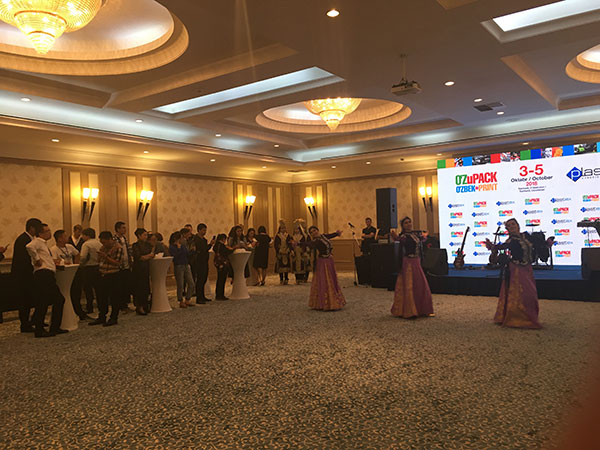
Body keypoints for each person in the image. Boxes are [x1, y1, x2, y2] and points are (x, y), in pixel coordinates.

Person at [485, 218, 542, 329]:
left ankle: (529, 317)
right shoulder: (510, 241)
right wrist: (492, 247)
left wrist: (546, 244)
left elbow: (537, 244)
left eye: (513, 224)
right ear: (507, 229)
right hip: (516, 269)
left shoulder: (526, 236)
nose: (512, 227)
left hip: (528, 269)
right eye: (509, 226)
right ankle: (517, 318)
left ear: (518, 225)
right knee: (521, 294)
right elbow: (501, 247)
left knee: (531, 293)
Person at [26, 223, 67, 338]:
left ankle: (50, 328)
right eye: (47, 231)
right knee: (50, 301)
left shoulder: (43, 244)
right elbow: (29, 247)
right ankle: (43, 329)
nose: (50, 233)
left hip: (46, 274)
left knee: (50, 301)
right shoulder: (38, 241)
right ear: (40, 233)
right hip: (44, 275)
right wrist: (37, 259)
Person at [390, 217, 434, 319]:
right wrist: (395, 237)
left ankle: (422, 309)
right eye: (406, 223)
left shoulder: (415, 235)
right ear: (403, 225)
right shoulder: (403, 236)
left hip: (417, 262)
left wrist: (425, 236)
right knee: (409, 286)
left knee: (420, 284)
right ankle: (410, 311)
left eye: (409, 222)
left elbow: (422, 240)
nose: (408, 224)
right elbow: (401, 241)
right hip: (408, 263)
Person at [301, 226, 345, 311]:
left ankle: (333, 300)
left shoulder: (324, 236)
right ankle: (325, 303)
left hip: (329, 260)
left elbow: (331, 235)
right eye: (311, 232)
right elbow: (308, 244)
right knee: (325, 281)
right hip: (322, 262)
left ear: (318, 230)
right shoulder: (316, 241)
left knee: (331, 279)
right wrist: (298, 243)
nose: (314, 232)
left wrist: (337, 233)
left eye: (314, 230)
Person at [10, 217, 42, 332]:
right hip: (23, 276)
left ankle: (31, 321)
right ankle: (25, 324)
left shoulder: (28, 239)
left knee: (29, 300)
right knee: (24, 301)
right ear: (32, 228)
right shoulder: (23, 240)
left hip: (26, 275)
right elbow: (23, 260)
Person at [50, 229, 89, 321]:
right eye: (64, 236)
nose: (67, 237)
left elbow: (77, 254)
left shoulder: (70, 246)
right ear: (59, 239)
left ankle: (79, 312)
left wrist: (76, 263)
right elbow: (54, 261)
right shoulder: (53, 249)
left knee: (76, 293)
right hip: (62, 275)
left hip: (72, 272)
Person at [89, 231, 123, 327]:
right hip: (102, 274)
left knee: (114, 297)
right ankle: (102, 316)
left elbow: (118, 263)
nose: (103, 244)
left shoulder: (118, 248)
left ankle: (113, 318)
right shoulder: (102, 248)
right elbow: (99, 260)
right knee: (101, 297)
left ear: (110, 239)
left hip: (113, 275)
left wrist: (106, 257)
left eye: (104, 242)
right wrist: (100, 257)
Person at [169, 231, 195, 308]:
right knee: (180, 285)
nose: (182, 239)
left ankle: (187, 299)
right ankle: (180, 301)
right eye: (181, 238)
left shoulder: (183, 246)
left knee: (191, 283)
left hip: (186, 265)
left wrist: (192, 251)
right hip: (178, 266)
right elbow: (175, 257)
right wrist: (178, 248)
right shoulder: (172, 247)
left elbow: (187, 254)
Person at [131, 228, 154, 315]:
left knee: (146, 288)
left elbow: (152, 254)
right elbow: (139, 257)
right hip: (138, 269)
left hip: (146, 269)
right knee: (139, 288)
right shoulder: (135, 245)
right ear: (139, 236)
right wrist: (148, 256)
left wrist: (147, 256)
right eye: (144, 235)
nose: (146, 236)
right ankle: (139, 307)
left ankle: (145, 305)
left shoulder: (148, 244)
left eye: (146, 235)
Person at [80, 228, 102, 314]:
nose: (82, 237)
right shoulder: (99, 243)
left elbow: (83, 257)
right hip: (98, 267)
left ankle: (89, 307)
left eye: (83, 235)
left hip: (88, 268)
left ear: (87, 235)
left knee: (88, 289)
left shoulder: (86, 244)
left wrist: (81, 264)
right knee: (98, 289)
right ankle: (100, 306)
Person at [114, 221, 133, 312]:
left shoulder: (124, 239)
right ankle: (120, 305)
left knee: (126, 286)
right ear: (118, 229)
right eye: (123, 228)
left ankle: (125, 304)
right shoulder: (114, 239)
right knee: (120, 287)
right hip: (119, 266)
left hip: (127, 265)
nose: (125, 229)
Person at [193, 223, 215, 303]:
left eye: (205, 230)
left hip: (205, 261)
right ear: (199, 230)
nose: (205, 232)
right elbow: (202, 249)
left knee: (204, 279)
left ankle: (202, 296)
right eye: (203, 230)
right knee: (200, 280)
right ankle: (199, 298)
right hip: (199, 262)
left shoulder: (204, 240)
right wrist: (210, 244)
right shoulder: (196, 239)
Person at [213, 233, 233, 300]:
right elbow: (227, 252)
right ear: (223, 239)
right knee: (222, 279)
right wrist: (233, 248)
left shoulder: (216, 245)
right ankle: (220, 295)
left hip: (218, 263)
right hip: (222, 263)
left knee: (219, 279)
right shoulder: (221, 246)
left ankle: (218, 294)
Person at [274, 221, 293, 285]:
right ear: (279, 229)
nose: (283, 229)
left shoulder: (288, 235)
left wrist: (288, 249)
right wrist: (279, 250)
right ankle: (281, 279)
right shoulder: (277, 236)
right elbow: (276, 244)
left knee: (286, 266)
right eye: (282, 228)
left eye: (284, 228)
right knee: (280, 266)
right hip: (280, 253)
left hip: (286, 252)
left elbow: (290, 243)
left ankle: (286, 278)